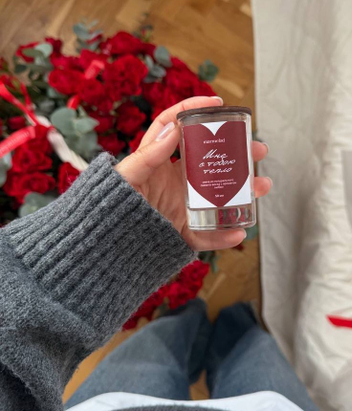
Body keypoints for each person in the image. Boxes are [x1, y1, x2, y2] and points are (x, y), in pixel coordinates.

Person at [0, 96, 318, 411]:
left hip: (120, 401)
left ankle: (194, 316)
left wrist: (105, 234)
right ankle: (236, 321)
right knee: (254, 348)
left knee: (163, 339)